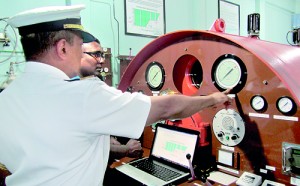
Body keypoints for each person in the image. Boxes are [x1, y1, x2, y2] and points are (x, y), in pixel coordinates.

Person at [0, 5, 231, 186]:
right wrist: (212, 99)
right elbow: (167, 107)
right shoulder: (82, 94)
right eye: (80, 48)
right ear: (62, 48)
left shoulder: (7, 97)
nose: (83, 56)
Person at [80, 38, 144, 160]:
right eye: (96, 55)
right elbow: (91, 144)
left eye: (102, 55)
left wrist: (108, 138)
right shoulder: (77, 93)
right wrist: (126, 149)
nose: (102, 60)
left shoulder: (92, 82)